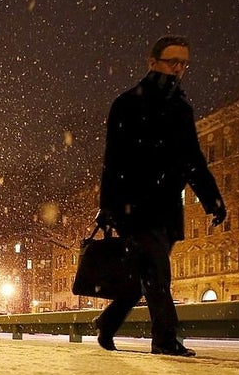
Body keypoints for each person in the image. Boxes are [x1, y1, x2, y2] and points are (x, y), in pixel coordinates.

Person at [94, 35, 227, 357]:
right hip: (134, 207)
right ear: (152, 62)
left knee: (145, 274)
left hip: (167, 207)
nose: (178, 69)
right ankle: (165, 340)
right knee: (156, 272)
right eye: (172, 62)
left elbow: (192, 159)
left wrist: (212, 199)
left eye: (183, 63)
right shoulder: (127, 103)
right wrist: (108, 207)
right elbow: (113, 160)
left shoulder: (181, 108)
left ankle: (107, 323)